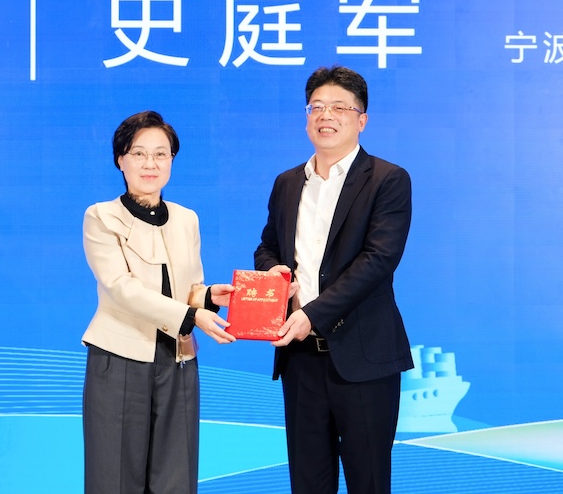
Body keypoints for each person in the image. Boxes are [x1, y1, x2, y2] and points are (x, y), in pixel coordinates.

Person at [254, 65, 414, 494]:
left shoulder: (387, 180)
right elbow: (268, 246)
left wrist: (312, 314)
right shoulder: (287, 183)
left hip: (362, 357)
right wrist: (274, 272)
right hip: (300, 359)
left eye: (340, 107)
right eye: (317, 107)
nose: (326, 116)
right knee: (308, 483)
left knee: (369, 481)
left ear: (362, 120)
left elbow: (378, 260)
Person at [81, 110, 236, 494]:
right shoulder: (101, 217)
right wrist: (192, 314)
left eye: (161, 154)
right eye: (138, 153)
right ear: (120, 160)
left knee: (176, 479)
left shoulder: (187, 219)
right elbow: (121, 288)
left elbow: (189, 288)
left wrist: (208, 297)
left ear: (171, 160)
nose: (150, 164)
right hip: (119, 359)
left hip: (179, 362)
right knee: (114, 479)